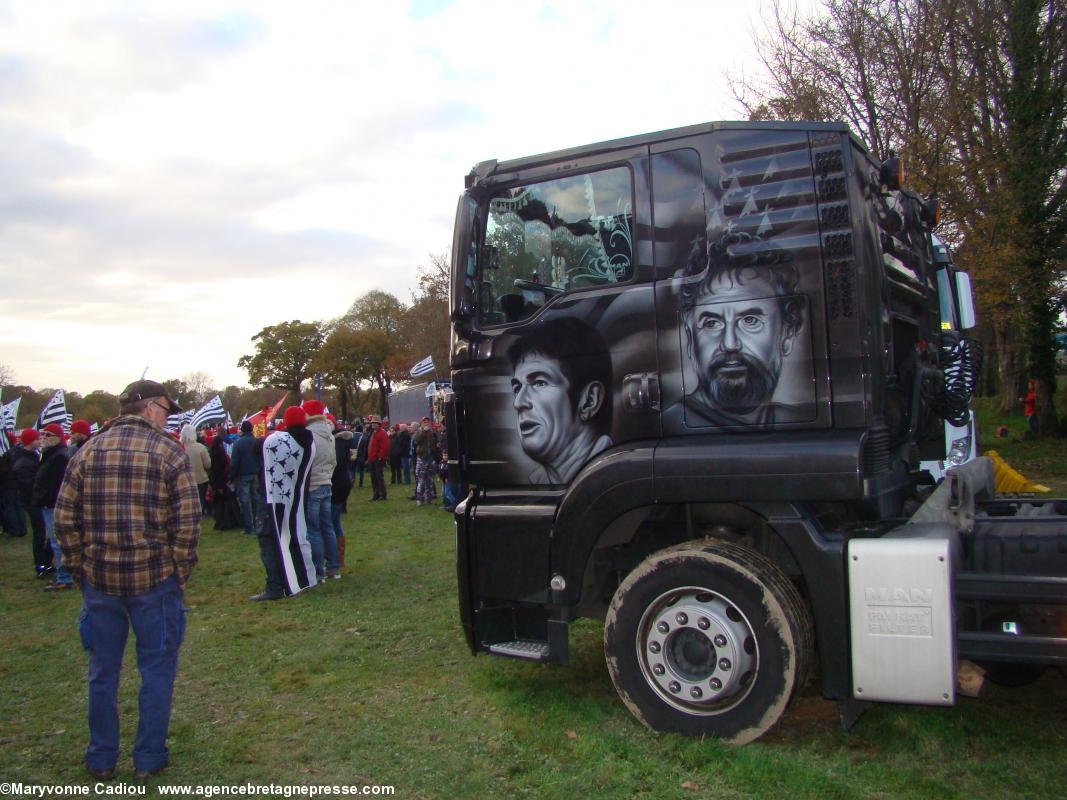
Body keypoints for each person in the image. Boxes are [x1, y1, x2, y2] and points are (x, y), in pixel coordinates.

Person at [54, 379, 200, 781]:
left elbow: (64, 519)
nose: (168, 417)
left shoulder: (87, 451)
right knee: (156, 670)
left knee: (103, 672)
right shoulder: (168, 452)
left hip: (102, 580)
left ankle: (102, 756)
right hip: (153, 580)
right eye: (167, 410)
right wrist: (179, 571)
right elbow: (187, 523)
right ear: (151, 407)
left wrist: (78, 568)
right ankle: (148, 757)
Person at [672, 236, 806, 428]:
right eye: (712, 323)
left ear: (787, 333)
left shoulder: (794, 424)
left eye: (750, 321)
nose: (729, 343)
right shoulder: (672, 426)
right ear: (691, 339)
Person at [507, 317, 614, 484]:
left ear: (589, 401)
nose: (519, 403)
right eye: (517, 388)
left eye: (539, 382)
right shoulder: (543, 482)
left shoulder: (610, 480)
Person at [256, 405, 317, 599]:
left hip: (276, 498)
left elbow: (260, 448)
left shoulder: (277, 441)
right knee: (297, 536)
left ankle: (277, 584)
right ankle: (303, 577)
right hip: (296, 496)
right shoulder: (309, 442)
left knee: (272, 540)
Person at [302, 399, 338, 580]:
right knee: (328, 527)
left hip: (313, 486)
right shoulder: (330, 435)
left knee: (313, 529)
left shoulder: (308, 435)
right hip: (326, 483)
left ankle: (318, 571)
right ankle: (333, 566)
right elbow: (334, 461)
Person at [34, 423, 72, 592]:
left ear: (57, 437)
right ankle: (63, 575)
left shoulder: (59, 457)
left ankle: (65, 577)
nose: (44, 437)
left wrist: (48, 499)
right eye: (42, 434)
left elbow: (58, 484)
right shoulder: (49, 454)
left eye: (48, 434)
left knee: (58, 543)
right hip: (48, 503)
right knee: (55, 542)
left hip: (54, 505)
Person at [13, 427, 51, 576]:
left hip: (36, 501)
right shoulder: (23, 461)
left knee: (43, 533)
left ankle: (45, 563)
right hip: (32, 502)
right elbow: (28, 485)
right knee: (40, 533)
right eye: (37, 438)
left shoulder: (31, 456)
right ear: (31, 441)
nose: (40, 441)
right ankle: (40, 565)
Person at [229, 420, 263, 535]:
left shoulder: (238, 443)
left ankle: (249, 528)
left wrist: (232, 476)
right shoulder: (256, 441)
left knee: (245, 502)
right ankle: (258, 525)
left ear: (242, 430)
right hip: (255, 474)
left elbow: (234, 462)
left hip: (243, 475)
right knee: (256, 500)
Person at [331, 417, 354, 574]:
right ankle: (337, 559)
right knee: (334, 521)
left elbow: (337, 462)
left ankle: (337, 559)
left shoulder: (338, 441)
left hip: (337, 482)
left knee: (332, 521)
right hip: (342, 481)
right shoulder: (341, 440)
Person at [179, 424, 211, 514]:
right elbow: (208, 464)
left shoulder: (178, 448)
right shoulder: (200, 447)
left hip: (185, 479)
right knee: (201, 497)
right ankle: (201, 512)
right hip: (201, 478)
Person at [413, 417, 438, 505]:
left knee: (430, 480)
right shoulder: (418, 431)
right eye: (424, 422)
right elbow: (417, 441)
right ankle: (420, 499)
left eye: (427, 422)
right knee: (421, 480)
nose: (426, 423)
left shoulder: (432, 432)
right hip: (422, 458)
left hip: (430, 458)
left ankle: (429, 498)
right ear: (421, 423)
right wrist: (424, 431)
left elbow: (435, 444)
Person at [366, 416, 389, 501]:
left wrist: (380, 457)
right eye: (372, 423)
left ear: (378, 424)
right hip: (372, 459)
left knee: (379, 478)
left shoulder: (382, 433)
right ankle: (376, 495)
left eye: (374, 423)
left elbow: (385, 447)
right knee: (373, 478)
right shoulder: (373, 432)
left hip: (377, 459)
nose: (372, 424)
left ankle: (382, 495)